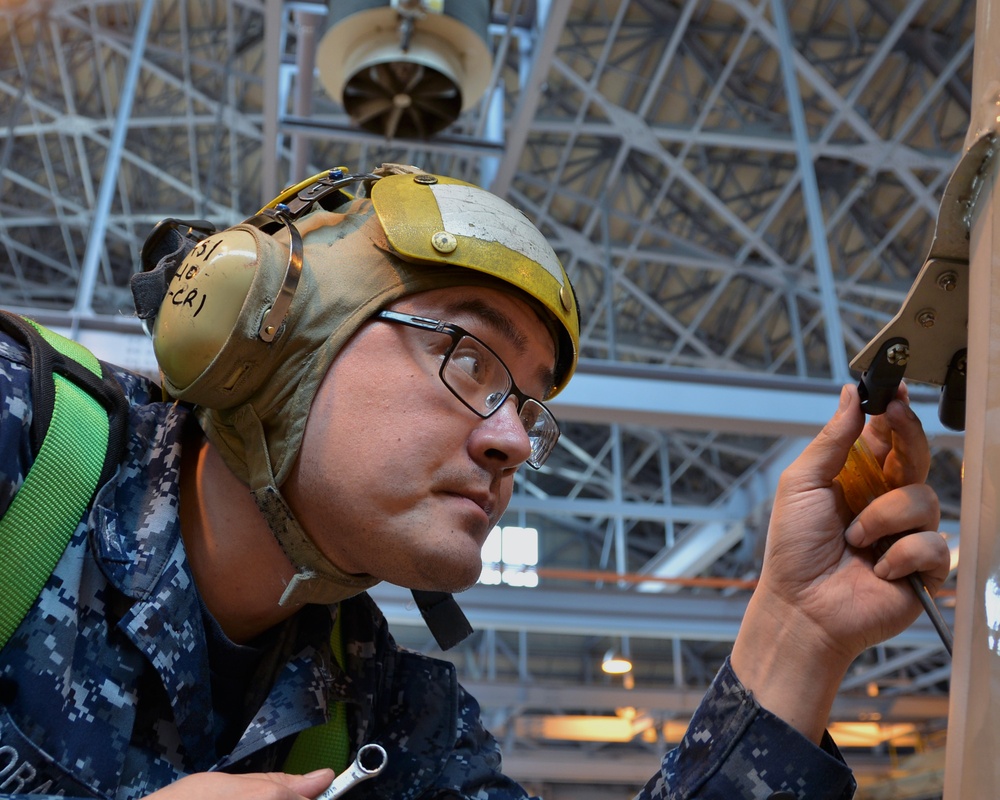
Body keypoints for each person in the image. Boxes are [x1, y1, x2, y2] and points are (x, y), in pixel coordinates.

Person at [0, 164, 949, 800]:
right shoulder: (23, 455)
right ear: (263, 331)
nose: (509, 443)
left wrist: (799, 631)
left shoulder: (388, 718)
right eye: (467, 355)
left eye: (531, 408)